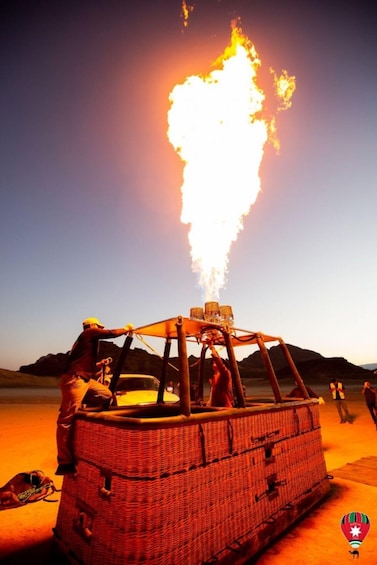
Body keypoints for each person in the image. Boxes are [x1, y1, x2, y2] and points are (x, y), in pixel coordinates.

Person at [56, 317, 134, 476]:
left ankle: (81, 413)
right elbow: (111, 333)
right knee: (66, 420)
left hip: (83, 379)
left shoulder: (85, 343)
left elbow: (82, 362)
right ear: (92, 326)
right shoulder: (89, 333)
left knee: (106, 395)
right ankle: (64, 462)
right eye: (99, 326)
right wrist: (126, 328)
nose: (100, 328)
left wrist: (100, 364)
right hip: (75, 379)